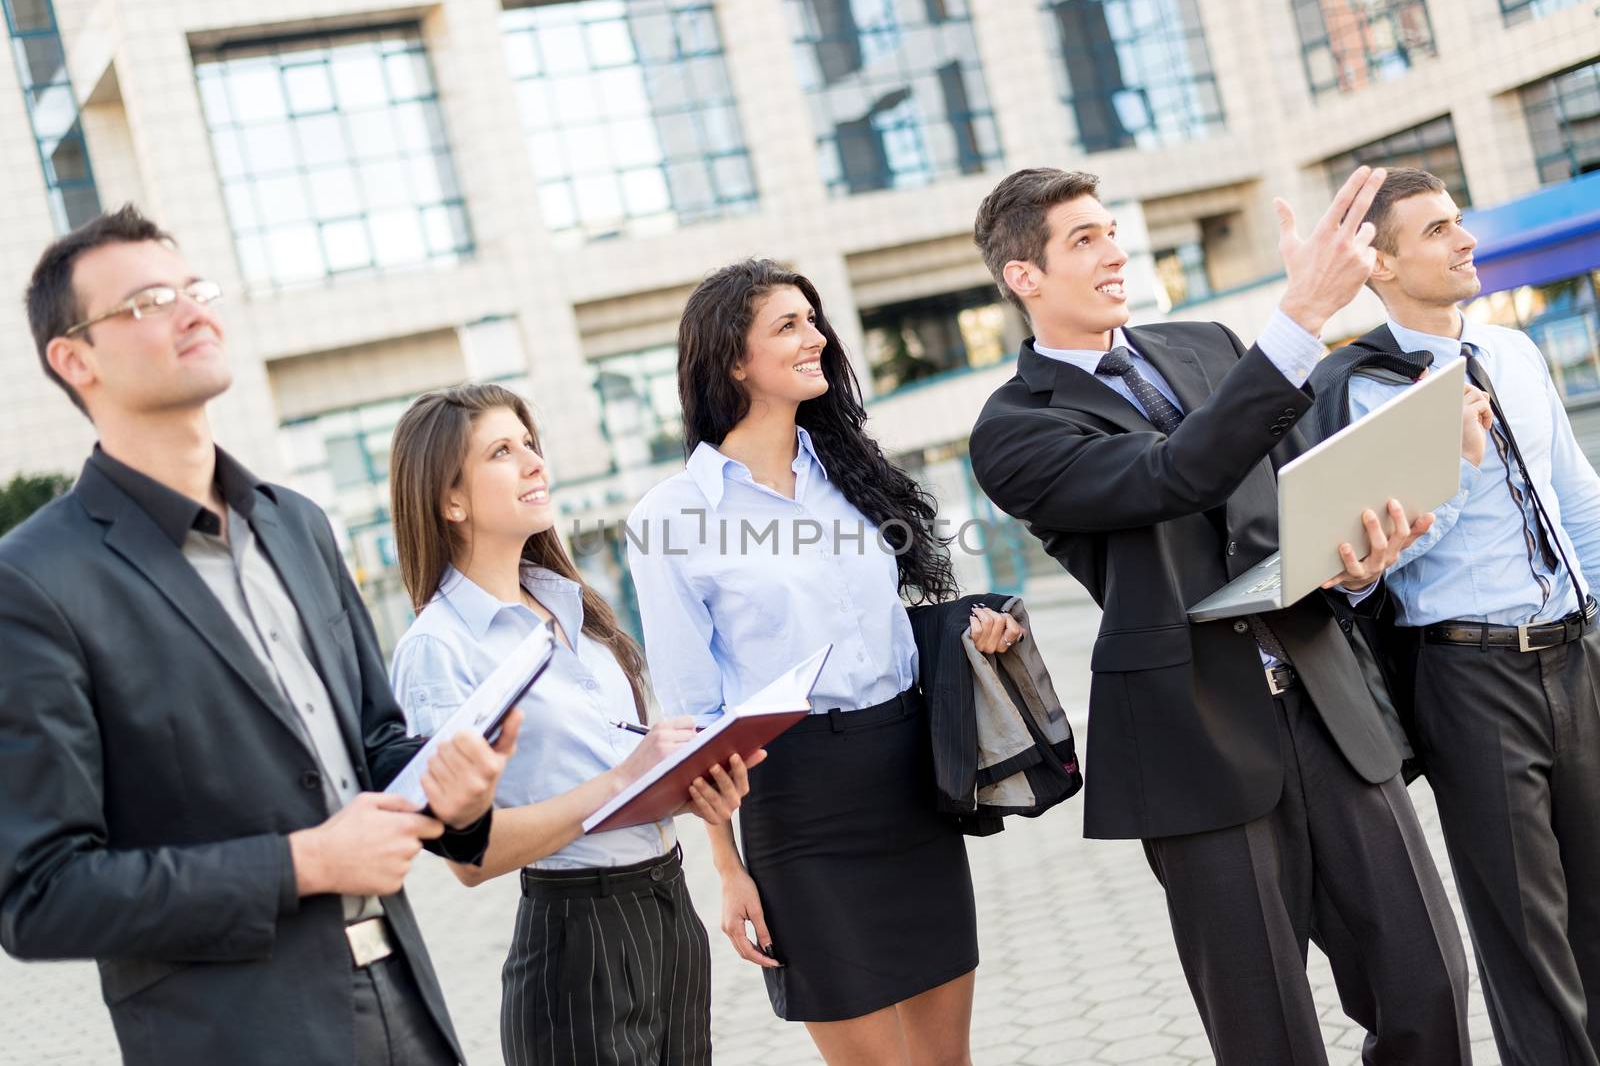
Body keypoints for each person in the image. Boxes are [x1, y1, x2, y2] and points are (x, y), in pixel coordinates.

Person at [967, 167, 1474, 1064]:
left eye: (1111, 230)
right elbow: (1173, 478)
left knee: (1428, 984)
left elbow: (1295, 492)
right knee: (1266, 1031)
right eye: (1083, 240)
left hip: (1326, 705)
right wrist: (1300, 318)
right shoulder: (1013, 428)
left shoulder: (1205, 345)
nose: (1115, 252)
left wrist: (1359, 561)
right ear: (1023, 278)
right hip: (1192, 742)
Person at [0, 205, 515, 1066]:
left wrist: (452, 800)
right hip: (236, 1036)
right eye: (149, 301)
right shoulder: (34, 580)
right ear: (73, 358)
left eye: (195, 289)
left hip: (407, 1006)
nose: (194, 312)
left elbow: (375, 743)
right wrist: (303, 863)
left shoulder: (297, 525)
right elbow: (42, 895)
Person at [626, 259, 1022, 1066]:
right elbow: (694, 714)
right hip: (798, 802)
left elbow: (887, 629)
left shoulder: (850, 475)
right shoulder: (672, 517)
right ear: (733, 360)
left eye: (813, 320)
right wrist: (727, 870)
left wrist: (974, 636)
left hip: (911, 782)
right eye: (788, 326)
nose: (817, 338)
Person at [386, 382, 758, 1066]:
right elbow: (467, 858)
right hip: (575, 938)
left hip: (668, 909)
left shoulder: (578, 611)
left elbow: (623, 772)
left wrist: (689, 784)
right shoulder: (439, 648)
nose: (534, 462)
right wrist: (627, 777)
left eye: (531, 444)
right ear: (450, 500)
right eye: (503, 451)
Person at [1317, 167, 1600, 1066]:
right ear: (1383, 266)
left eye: (1458, 221)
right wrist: (1460, 454)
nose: (1464, 240)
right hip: (1469, 675)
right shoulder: (1365, 392)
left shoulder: (1513, 353)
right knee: (1525, 926)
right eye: (1436, 230)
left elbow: (1577, 501)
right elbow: (1377, 568)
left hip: (1574, 656)